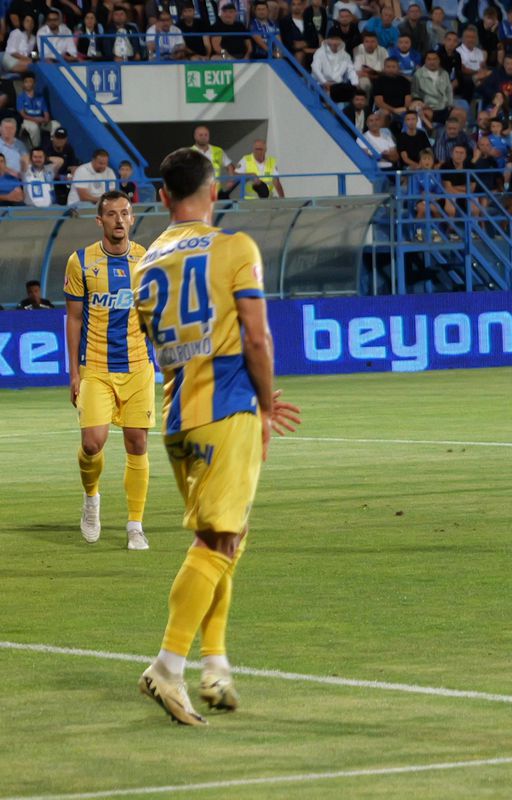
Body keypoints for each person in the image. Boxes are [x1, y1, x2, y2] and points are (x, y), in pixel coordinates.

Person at [132, 148, 301, 726]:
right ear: (217, 188)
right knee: (218, 544)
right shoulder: (235, 247)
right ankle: (167, 666)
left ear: (162, 198)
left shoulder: (146, 260)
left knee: (226, 535)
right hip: (227, 405)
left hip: (177, 415)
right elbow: (256, 337)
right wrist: (265, 403)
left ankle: (216, 665)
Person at [63, 191, 153, 551]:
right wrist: (74, 373)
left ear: (132, 219)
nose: (119, 219)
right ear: (99, 221)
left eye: (125, 213)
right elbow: (72, 319)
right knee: (92, 443)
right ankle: (91, 499)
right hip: (96, 367)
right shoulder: (80, 262)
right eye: (112, 214)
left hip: (137, 367)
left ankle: (135, 524)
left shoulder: (147, 260)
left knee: (138, 442)